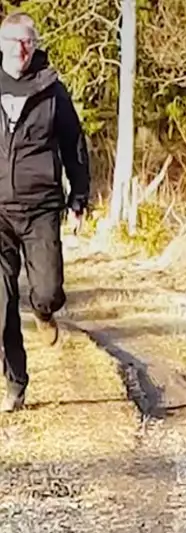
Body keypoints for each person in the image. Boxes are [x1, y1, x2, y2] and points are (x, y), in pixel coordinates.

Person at [0, 12, 90, 412]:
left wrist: (79, 197)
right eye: (13, 40)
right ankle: (15, 383)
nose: (20, 48)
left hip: (41, 208)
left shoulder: (52, 91)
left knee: (49, 290)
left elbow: (74, 144)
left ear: (34, 46)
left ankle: (44, 311)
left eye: (27, 42)